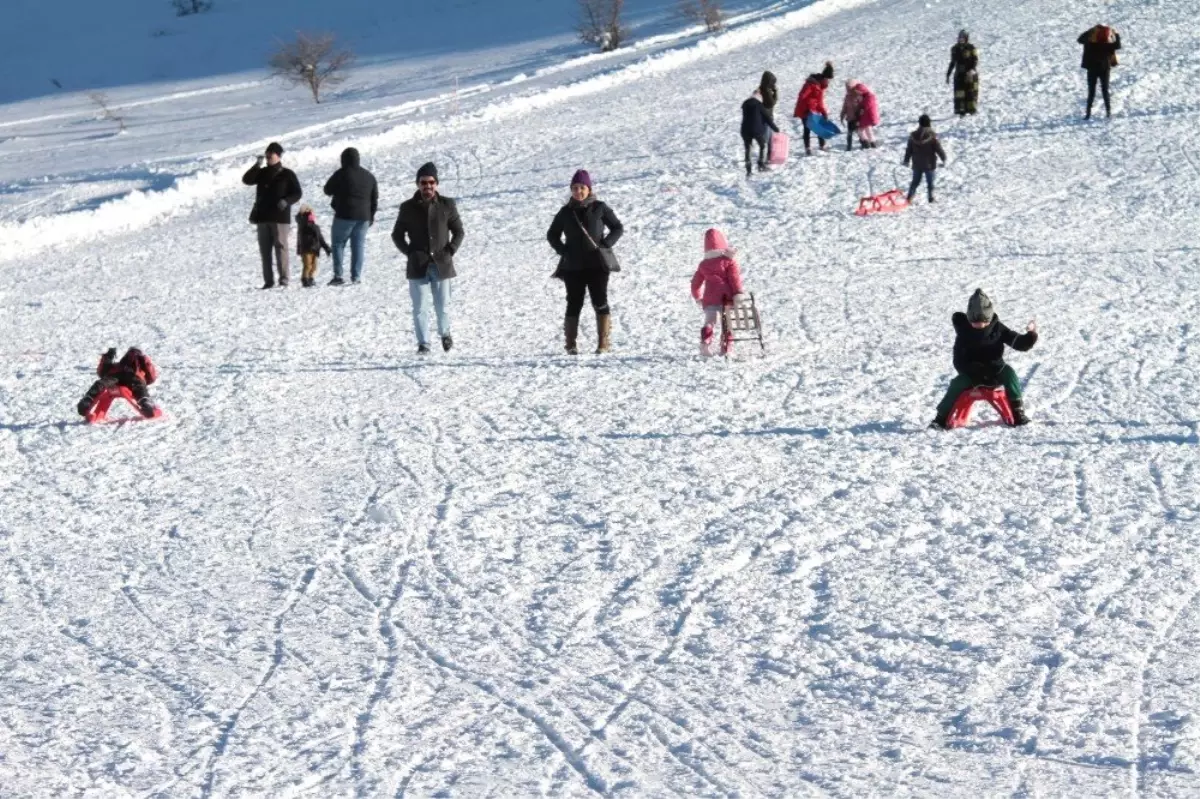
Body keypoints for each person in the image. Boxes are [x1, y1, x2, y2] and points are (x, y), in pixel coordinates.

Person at [930, 290, 1038, 429]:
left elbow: (1017, 342)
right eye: (975, 322)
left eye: (982, 322)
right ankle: (940, 419)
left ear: (988, 318)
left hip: (995, 369)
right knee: (956, 384)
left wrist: (1030, 335)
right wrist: (970, 371)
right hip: (972, 373)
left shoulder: (997, 328)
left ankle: (1018, 413)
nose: (979, 326)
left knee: (1010, 374)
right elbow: (958, 359)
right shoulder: (964, 332)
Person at [547, 170, 625, 355]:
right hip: (573, 267)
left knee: (600, 301)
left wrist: (606, 244)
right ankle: (571, 345)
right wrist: (563, 250)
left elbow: (617, 227)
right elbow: (552, 235)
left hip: (597, 265)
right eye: (574, 188)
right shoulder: (565, 212)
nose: (578, 191)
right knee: (574, 303)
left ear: (589, 189)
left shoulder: (600, 207)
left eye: (582, 187)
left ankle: (603, 344)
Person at [390, 162, 465, 354]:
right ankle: (423, 343)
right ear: (418, 184)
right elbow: (397, 235)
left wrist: (450, 250)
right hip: (418, 265)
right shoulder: (407, 208)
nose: (428, 186)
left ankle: (445, 333)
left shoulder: (447, 205)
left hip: (441, 264)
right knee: (420, 307)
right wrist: (409, 252)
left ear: (436, 183)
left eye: (431, 182)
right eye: (423, 182)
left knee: (442, 305)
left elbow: (458, 231)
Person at [242, 142, 303, 289]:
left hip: (280, 217)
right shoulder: (261, 172)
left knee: (280, 247)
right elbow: (247, 180)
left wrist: (286, 201)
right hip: (262, 217)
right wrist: (257, 165)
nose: (268, 156)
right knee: (265, 250)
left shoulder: (287, 174)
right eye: (267, 153)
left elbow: (297, 193)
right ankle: (268, 281)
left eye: (271, 154)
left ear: (278, 155)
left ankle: (284, 279)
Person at [323, 147, 379, 285]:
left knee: (338, 244)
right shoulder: (369, 176)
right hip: (364, 217)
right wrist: (371, 216)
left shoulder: (341, 173)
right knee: (358, 246)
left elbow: (327, 189)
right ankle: (356, 277)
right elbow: (374, 198)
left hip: (344, 215)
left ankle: (338, 276)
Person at [690, 228, 744, 356]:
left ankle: (705, 343)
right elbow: (734, 279)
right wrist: (738, 293)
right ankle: (726, 346)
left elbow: (695, 283)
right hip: (727, 298)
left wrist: (698, 297)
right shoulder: (728, 262)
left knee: (709, 321)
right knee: (727, 322)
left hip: (709, 298)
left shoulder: (703, 264)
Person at [76, 347, 159, 419]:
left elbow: (102, 373)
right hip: (129, 378)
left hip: (116, 377)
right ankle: (145, 402)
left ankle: (88, 399)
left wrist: (107, 357)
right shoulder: (138, 370)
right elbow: (152, 377)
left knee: (101, 383)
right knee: (138, 386)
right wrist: (145, 362)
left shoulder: (117, 366)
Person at [1078, 24, 1121, 119]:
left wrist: (1091, 30)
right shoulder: (1107, 45)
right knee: (1105, 90)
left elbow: (1080, 39)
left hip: (1092, 70)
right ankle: (1108, 112)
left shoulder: (1090, 44)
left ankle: (1088, 114)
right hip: (1104, 69)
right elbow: (1118, 45)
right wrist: (1116, 34)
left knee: (1091, 91)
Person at [902, 114, 948, 204]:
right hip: (929, 164)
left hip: (917, 164)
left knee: (915, 182)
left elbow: (909, 150)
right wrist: (944, 158)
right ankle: (931, 198)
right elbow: (938, 149)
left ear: (919, 124)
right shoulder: (932, 136)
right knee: (930, 183)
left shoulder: (913, 136)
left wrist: (906, 160)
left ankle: (909, 198)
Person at [792, 61, 834, 154]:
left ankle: (822, 146)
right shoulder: (810, 85)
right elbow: (802, 97)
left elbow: (820, 102)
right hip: (806, 111)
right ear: (824, 78)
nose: (828, 82)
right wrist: (808, 108)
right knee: (807, 129)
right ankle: (807, 148)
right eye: (828, 80)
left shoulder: (820, 87)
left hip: (814, 110)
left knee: (819, 127)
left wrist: (824, 112)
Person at [741, 89, 780, 177]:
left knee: (748, 148)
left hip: (745, 129)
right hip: (756, 129)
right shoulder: (759, 105)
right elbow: (767, 118)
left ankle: (748, 170)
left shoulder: (745, 103)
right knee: (763, 145)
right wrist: (775, 128)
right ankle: (761, 164)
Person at [295, 205, 332, 288]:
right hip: (306, 249)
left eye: (311, 214)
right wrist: (304, 217)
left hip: (315, 249)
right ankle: (305, 279)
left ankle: (311, 278)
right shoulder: (303, 226)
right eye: (308, 214)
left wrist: (326, 248)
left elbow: (320, 239)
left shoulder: (315, 227)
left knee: (314, 266)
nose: (310, 216)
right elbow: (300, 221)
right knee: (307, 265)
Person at [946, 30, 979, 116]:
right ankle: (961, 110)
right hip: (959, 74)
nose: (961, 39)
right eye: (960, 37)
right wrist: (948, 74)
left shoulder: (971, 48)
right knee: (959, 93)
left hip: (969, 73)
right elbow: (953, 62)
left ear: (966, 38)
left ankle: (971, 109)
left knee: (970, 92)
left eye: (963, 37)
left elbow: (975, 60)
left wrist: (972, 70)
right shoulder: (954, 48)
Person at [843, 80, 880, 149]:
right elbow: (845, 106)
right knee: (865, 130)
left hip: (864, 117)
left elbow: (864, 107)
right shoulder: (852, 96)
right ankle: (870, 143)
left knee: (861, 130)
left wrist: (858, 114)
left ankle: (867, 143)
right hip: (861, 117)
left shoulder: (866, 97)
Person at [759, 71, 779, 158]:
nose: (773, 84)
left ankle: (769, 156)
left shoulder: (761, 89)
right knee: (767, 139)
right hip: (766, 117)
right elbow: (771, 103)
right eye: (772, 82)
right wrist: (775, 92)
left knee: (770, 138)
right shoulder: (766, 90)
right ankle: (764, 159)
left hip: (764, 116)